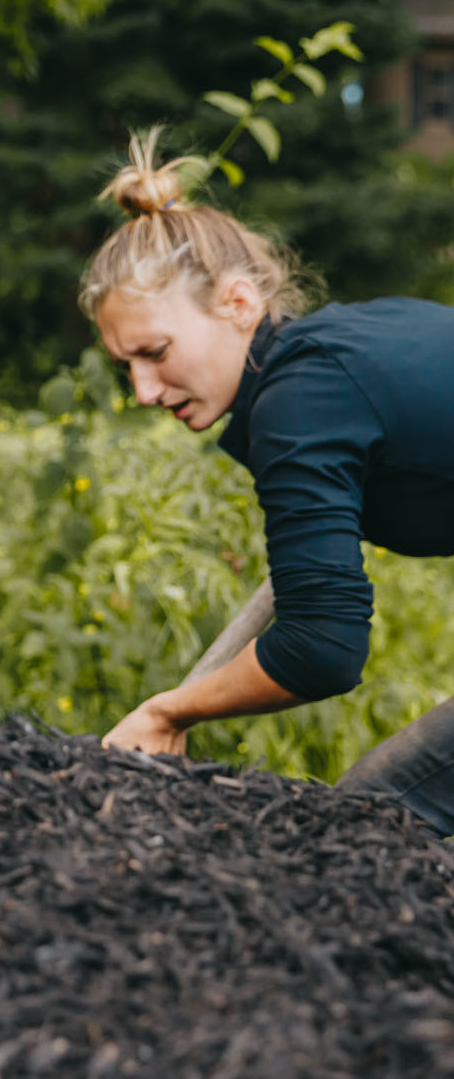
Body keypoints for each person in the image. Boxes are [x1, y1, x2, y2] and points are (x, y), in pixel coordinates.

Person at [81, 128, 454, 830]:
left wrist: (169, 708)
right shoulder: (342, 354)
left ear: (238, 303)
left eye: (154, 352)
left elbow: (321, 650)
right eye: (123, 365)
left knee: (368, 831)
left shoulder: (301, 402)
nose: (140, 389)